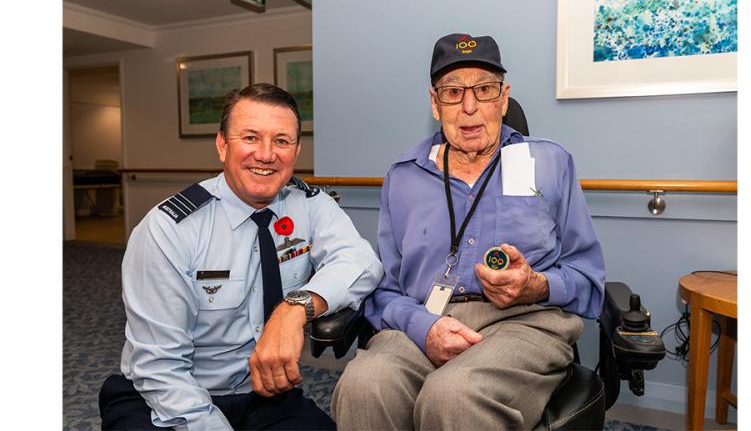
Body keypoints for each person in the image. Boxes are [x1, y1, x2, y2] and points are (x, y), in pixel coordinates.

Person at [332, 33, 606, 430]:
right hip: (423, 319)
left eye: (484, 89)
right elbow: (385, 291)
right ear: (434, 102)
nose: (469, 106)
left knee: (454, 395)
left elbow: (589, 279)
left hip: (524, 323)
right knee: (363, 384)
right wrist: (424, 328)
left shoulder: (551, 163)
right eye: (453, 91)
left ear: (504, 97)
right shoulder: (403, 177)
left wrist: (536, 285)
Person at [99, 83, 383, 430]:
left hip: (264, 396)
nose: (266, 154)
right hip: (164, 394)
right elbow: (159, 367)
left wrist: (295, 308)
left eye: (281, 141)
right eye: (250, 137)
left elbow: (361, 261)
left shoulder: (310, 205)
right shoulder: (169, 229)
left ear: (296, 151)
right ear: (222, 145)